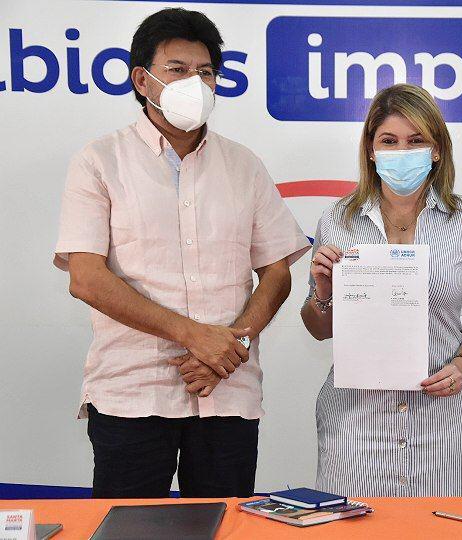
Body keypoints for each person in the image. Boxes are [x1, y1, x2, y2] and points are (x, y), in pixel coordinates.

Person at [53, 8, 310, 498]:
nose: (196, 82)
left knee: (226, 526)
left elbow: (277, 271)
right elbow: (86, 278)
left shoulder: (244, 165)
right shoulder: (100, 161)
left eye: (206, 72)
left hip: (227, 391)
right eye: (177, 69)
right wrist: (195, 336)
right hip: (133, 393)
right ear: (142, 80)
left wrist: (228, 346)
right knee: (129, 528)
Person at [300, 84, 462, 496]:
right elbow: (319, 329)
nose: (402, 151)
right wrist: (324, 291)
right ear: (371, 150)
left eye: (416, 141)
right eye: (389, 141)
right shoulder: (337, 219)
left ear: (436, 150)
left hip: (448, 421)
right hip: (357, 425)